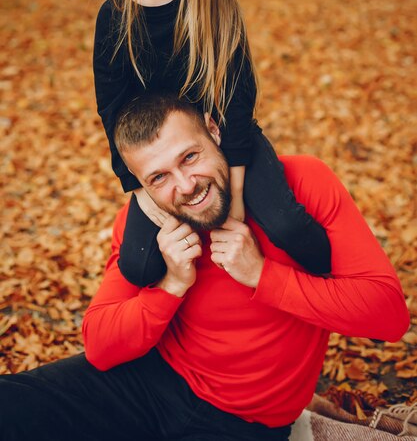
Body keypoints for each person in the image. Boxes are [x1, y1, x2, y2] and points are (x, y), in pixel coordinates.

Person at [0, 93, 409, 441]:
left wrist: (262, 274)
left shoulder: (300, 185)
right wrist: (170, 286)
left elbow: (388, 315)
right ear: (142, 186)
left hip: (243, 423)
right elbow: (101, 347)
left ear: (214, 131)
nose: (185, 185)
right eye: (159, 177)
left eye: (190, 156)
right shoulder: (148, 225)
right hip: (148, 382)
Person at [93, 0, 331, 288]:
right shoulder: (114, 17)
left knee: (287, 227)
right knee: (139, 268)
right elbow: (112, 112)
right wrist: (147, 198)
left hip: (227, 145)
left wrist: (236, 197)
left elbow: (239, 102)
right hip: (165, 161)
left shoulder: (214, 4)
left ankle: (328, 284)